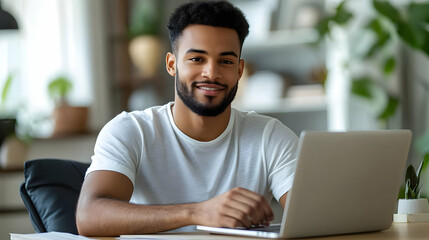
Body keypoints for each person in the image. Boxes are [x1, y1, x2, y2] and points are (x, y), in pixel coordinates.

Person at [76, 0, 298, 237]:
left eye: (225, 61)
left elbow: (314, 216)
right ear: (172, 64)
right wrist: (196, 213)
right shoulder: (130, 131)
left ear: (239, 70)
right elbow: (90, 216)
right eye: (197, 59)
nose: (211, 73)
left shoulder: (270, 136)